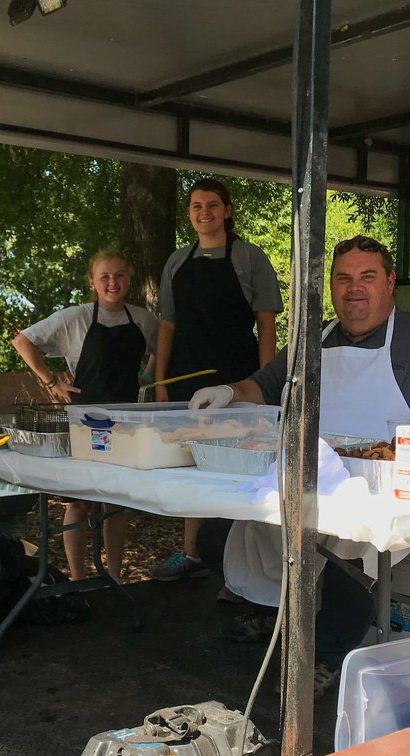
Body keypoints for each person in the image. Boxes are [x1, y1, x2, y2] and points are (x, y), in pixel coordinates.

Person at [189, 235, 410, 699]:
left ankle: (326, 657)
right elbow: (263, 387)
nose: (355, 289)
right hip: (308, 480)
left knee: (345, 566)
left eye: (368, 277)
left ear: (390, 283)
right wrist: (228, 393)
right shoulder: (313, 340)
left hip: (383, 490)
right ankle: (274, 614)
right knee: (215, 536)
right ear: (330, 287)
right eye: (343, 278)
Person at [150, 177, 283, 583]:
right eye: (196, 206)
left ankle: (241, 566)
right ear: (189, 214)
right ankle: (192, 553)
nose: (204, 212)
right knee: (193, 463)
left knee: (238, 465)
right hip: (186, 377)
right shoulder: (175, 262)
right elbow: (167, 325)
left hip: (237, 380)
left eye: (212, 205)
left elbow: (266, 324)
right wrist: (159, 382)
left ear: (227, 210)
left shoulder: (250, 258)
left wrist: (265, 386)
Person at [12, 250, 158, 581]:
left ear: (129, 278)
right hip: (84, 421)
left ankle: (115, 577)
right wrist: (51, 381)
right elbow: (23, 341)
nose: (113, 283)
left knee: (117, 504)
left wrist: (148, 377)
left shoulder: (144, 319)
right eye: (105, 277)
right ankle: (78, 578)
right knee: (78, 502)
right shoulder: (75, 318)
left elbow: (162, 347)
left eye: (119, 275)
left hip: (125, 422)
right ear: (92, 282)